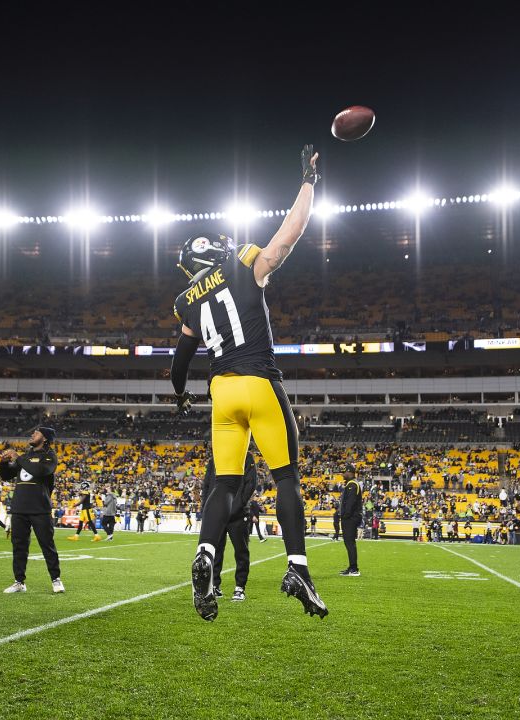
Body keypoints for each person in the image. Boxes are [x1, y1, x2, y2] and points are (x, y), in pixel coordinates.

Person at [169, 145, 326, 621]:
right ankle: (297, 566)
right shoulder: (242, 261)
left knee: (224, 484)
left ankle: (206, 556)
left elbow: (179, 364)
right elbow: (288, 235)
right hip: (257, 381)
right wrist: (307, 182)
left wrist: (179, 398)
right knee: (286, 476)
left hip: (221, 396)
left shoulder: (187, 301)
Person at [0, 426, 63, 594]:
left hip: (40, 508)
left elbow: (40, 471)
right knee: (19, 546)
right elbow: (6, 476)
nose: (32, 434)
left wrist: (18, 458)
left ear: (45, 438)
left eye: (37, 433)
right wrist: (3, 463)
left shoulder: (50, 456)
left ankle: (56, 579)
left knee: (47, 545)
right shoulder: (26, 457)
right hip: (19, 508)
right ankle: (19, 581)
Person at [203, 456, 257, 603]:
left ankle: (240, 587)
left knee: (241, 552)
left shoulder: (246, 457)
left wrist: (237, 505)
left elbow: (251, 483)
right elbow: (207, 485)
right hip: (218, 513)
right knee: (216, 552)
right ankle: (215, 586)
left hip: (238, 515)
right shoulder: (214, 458)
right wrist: (206, 508)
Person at [338, 475, 363, 576]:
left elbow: (350, 503)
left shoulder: (352, 484)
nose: (344, 474)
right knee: (349, 543)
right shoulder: (352, 484)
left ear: (351, 473)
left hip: (350, 518)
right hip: (352, 517)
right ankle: (352, 567)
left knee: (350, 543)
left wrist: (345, 515)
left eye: (346, 472)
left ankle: (354, 569)